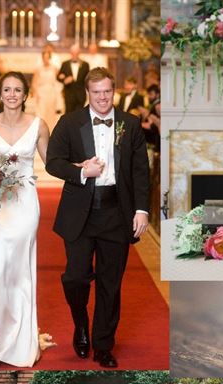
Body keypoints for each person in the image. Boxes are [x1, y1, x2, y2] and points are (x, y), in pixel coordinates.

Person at [46, 66, 150, 368]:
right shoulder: (69, 122)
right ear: (87, 94)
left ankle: (103, 345)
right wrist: (81, 171)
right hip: (81, 211)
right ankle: (81, 324)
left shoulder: (130, 124)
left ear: (113, 91)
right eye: (96, 93)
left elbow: (140, 171)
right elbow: (53, 162)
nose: (102, 98)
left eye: (107, 92)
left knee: (110, 283)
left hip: (117, 212)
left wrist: (141, 210)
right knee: (75, 277)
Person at [0, 71, 54, 367]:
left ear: (25, 95)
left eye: (17, 89)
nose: (11, 94)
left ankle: (21, 340)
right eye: (6, 89)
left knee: (19, 272)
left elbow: (52, 163)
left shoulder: (39, 125)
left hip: (24, 205)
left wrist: (82, 168)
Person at [32, 48, 63, 130]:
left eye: (47, 57)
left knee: (51, 113)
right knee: (41, 113)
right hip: (41, 92)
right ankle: (42, 131)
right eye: (44, 57)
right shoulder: (38, 69)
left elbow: (59, 80)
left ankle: (50, 131)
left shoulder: (54, 68)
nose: (45, 59)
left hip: (51, 92)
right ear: (42, 58)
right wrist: (36, 94)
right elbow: (34, 82)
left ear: (49, 58)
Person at [57, 45, 89, 114]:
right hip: (69, 95)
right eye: (73, 53)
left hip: (81, 95)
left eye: (76, 53)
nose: (74, 55)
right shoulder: (64, 64)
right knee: (69, 115)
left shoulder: (85, 64)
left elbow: (88, 79)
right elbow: (58, 77)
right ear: (70, 53)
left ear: (79, 53)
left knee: (80, 115)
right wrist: (64, 80)